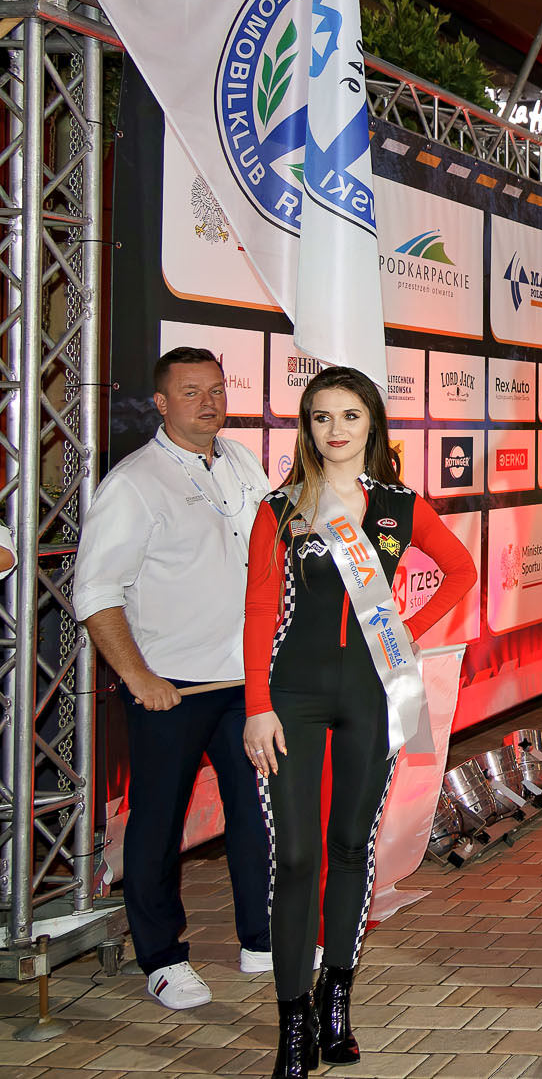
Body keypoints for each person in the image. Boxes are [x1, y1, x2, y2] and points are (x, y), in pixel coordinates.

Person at [243, 367, 477, 1078]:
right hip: (292, 697)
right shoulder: (281, 508)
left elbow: (462, 571)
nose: (335, 429)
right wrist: (256, 705)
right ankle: (293, 1021)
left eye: (349, 415)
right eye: (321, 417)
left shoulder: (400, 506)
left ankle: (336, 998)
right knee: (295, 857)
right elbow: (259, 612)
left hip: (375, 694)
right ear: (306, 427)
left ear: (372, 422)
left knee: (351, 847)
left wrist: (408, 631)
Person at [73, 348, 275, 1010]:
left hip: (245, 683)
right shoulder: (134, 482)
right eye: (191, 392)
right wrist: (137, 675)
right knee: (158, 824)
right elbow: (95, 590)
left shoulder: (241, 460)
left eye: (216, 389)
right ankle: (162, 958)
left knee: (258, 814)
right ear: (161, 403)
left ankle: (261, 938)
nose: (208, 403)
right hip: (172, 689)